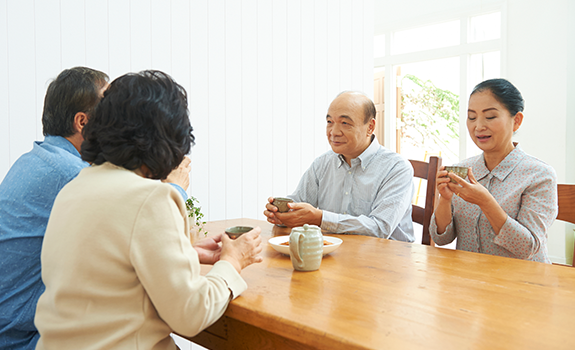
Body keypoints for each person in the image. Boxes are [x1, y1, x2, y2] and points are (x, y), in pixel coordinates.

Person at [34, 70, 263, 349]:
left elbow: (108, 272)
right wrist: (233, 262)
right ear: (170, 136)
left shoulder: (73, 190)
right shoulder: (150, 198)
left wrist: (185, 253)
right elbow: (191, 314)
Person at [0, 67, 109, 349]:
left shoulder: (32, 159)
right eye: (108, 109)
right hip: (21, 339)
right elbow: (138, 222)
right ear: (82, 122)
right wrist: (176, 184)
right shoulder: (70, 174)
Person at [430, 78, 557, 263]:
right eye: (472, 117)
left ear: (517, 121)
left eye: (490, 116)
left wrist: (486, 202)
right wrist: (445, 200)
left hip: (523, 284)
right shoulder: (463, 169)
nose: (478, 126)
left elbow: (527, 248)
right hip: (471, 280)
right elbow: (441, 238)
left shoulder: (539, 175)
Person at [264, 91, 414, 241]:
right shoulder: (322, 163)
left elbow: (380, 229)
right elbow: (298, 201)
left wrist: (320, 219)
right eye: (330, 122)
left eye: (345, 123)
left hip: (388, 258)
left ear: (370, 127)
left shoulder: (397, 169)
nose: (333, 132)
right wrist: (280, 214)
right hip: (335, 253)